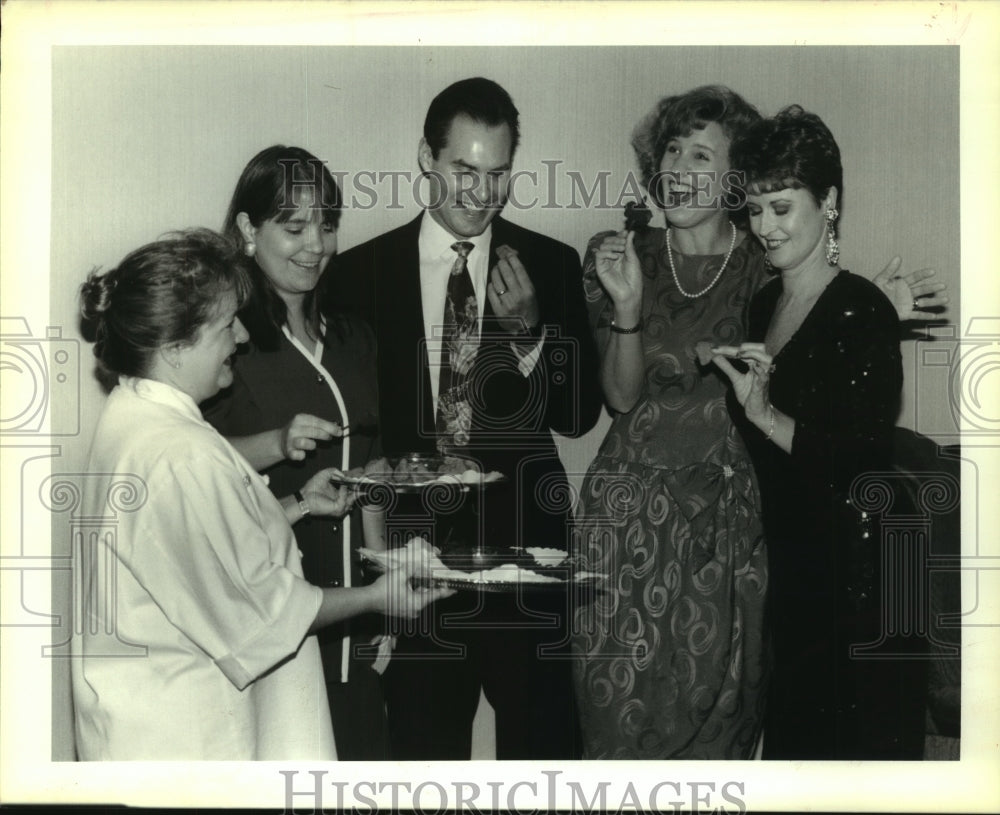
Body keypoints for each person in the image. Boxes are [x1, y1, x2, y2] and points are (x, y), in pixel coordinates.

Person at [572, 85, 947, 759]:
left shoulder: (760, 265)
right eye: (673, 150)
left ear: (734, 179)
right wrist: (627, 308)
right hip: (626, 522)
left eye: (703, 155)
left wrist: (875, 307)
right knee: (615, 725)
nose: (680, 167)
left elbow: (821, 346)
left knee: (726, 727)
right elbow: (622, 398)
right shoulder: (623, 254)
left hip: (731, 524)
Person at [73, 229, 450, 761]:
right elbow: (262, 615)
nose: (244, 338)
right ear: (176, 345)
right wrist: (375, 597)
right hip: (190, 743)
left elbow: (192, 552)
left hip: (146, 725)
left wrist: (297, 505)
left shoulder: (133, 414)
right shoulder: (179, 453)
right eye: (228, 324)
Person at [329, 77, 603, 760]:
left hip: (526, 556)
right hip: (413, 563)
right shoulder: (358, 274)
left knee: (545, 764)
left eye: (499, 172)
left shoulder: (550, 263)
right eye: (464, 169)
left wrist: (531, 336)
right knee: (422, 761)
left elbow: (578, 415)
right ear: (426, 158)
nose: (481, 192)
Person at [714, 105, 928, 759]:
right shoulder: (762, 305)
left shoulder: (861, 306)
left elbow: (861, 453)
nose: (764, 228)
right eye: (754, 210)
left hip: (862, 574)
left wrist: (768, 417)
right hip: (799, 568)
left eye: (781, 207)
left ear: (829, 202)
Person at [201, 146, 389, 760]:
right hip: (266, 616)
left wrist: (383, 591)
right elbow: (194, 470)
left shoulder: (354, 336)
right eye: (294, 226)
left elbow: (373, 471)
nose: (317, 244)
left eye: (327, 224)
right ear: (249, 230)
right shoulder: (228, 344)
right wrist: (276, 443)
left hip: (354, 611)